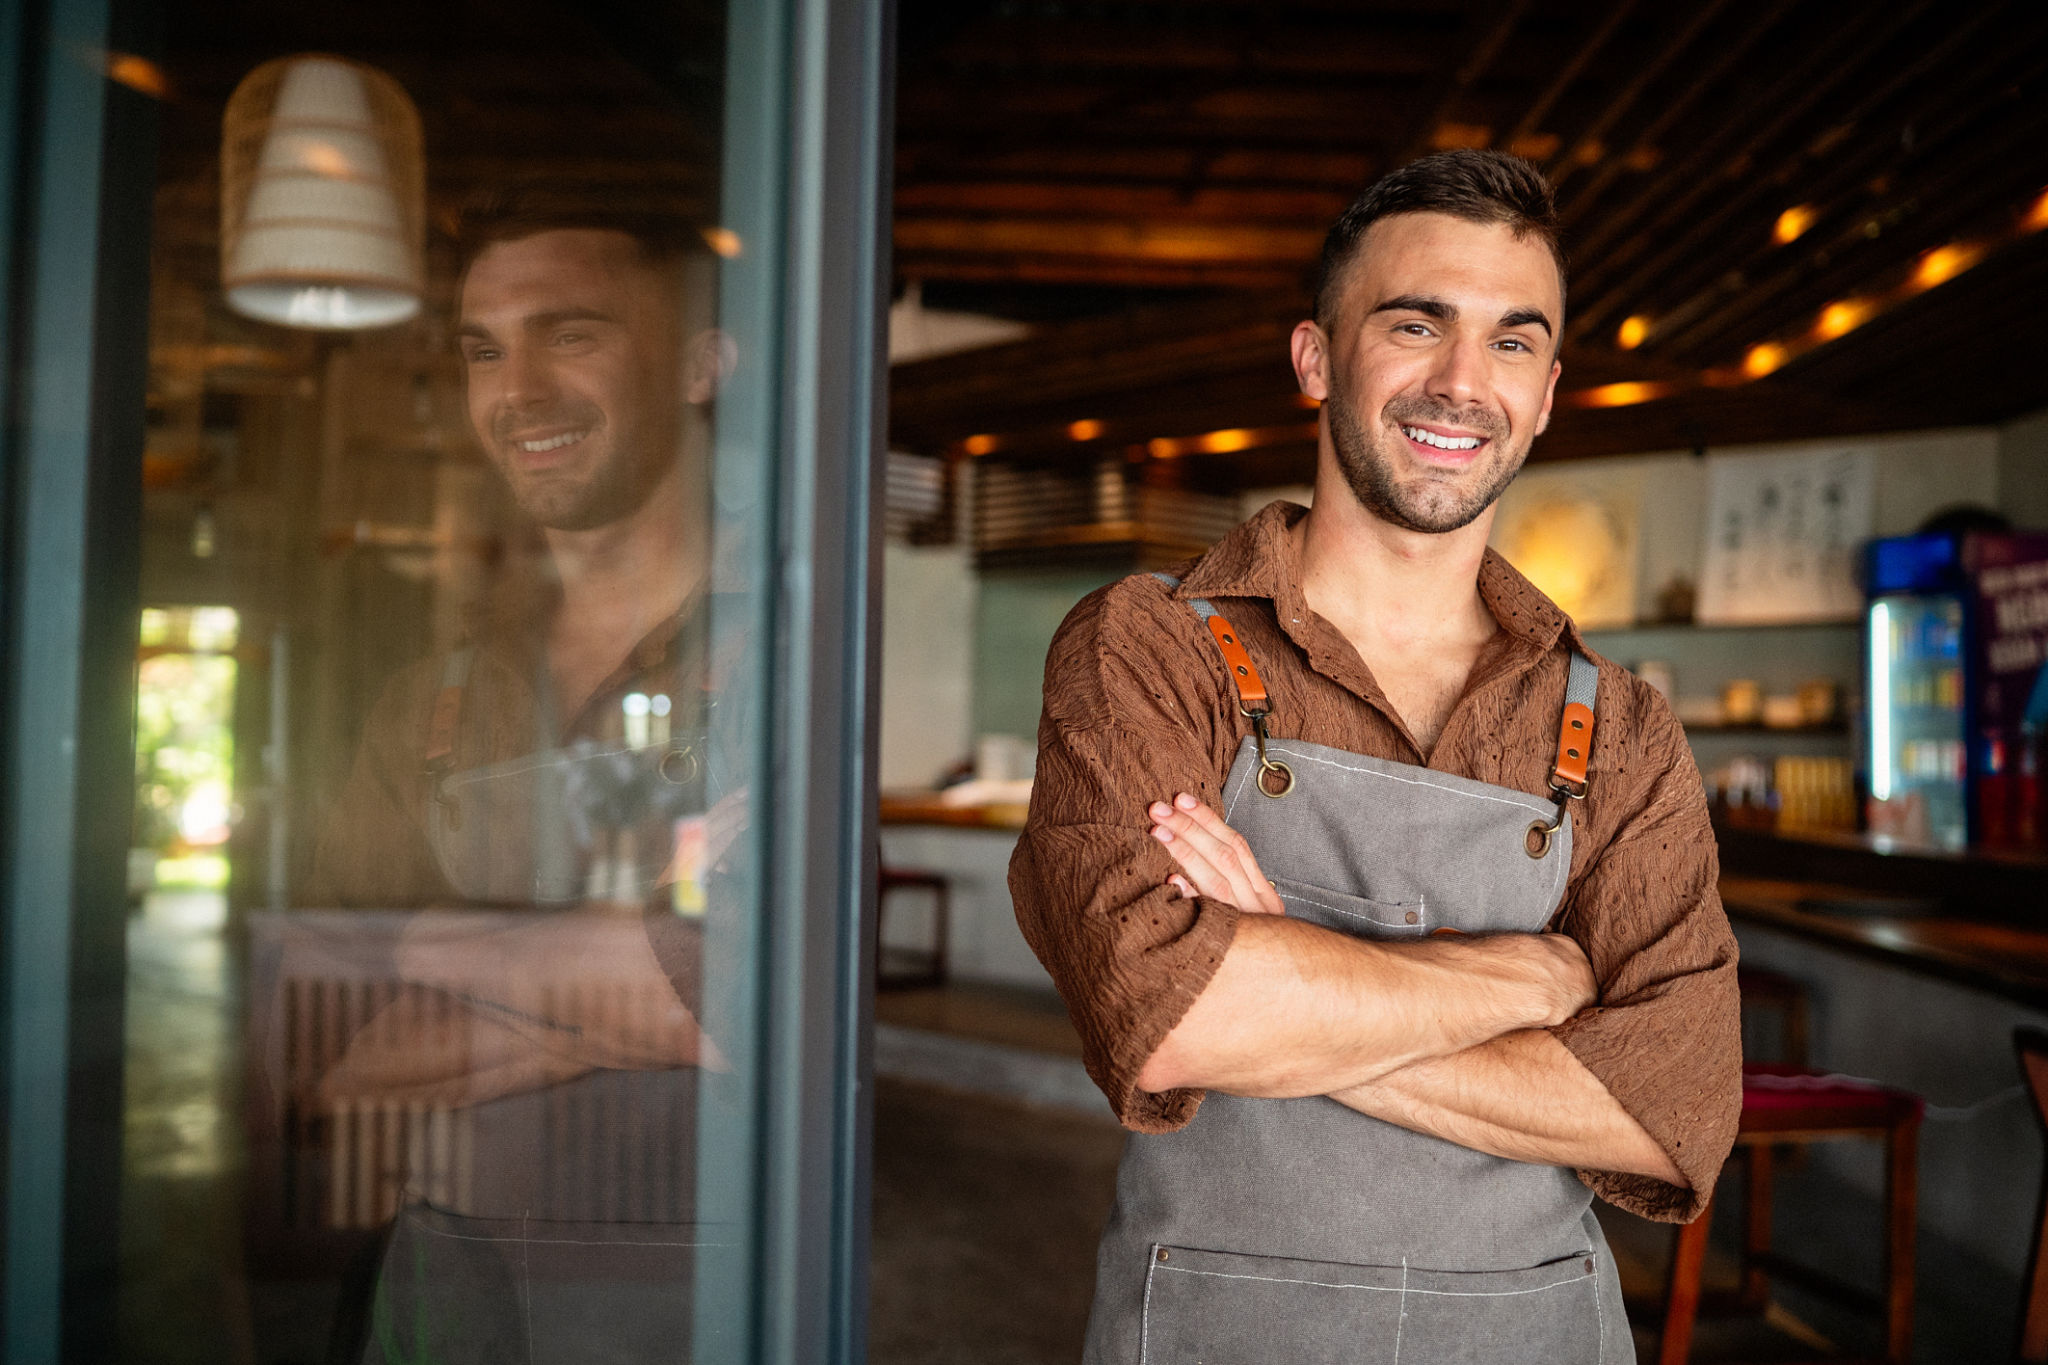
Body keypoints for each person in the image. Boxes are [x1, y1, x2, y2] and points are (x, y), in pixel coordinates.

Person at [1009, 150, 1740, 1365]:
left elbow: (1671, 1114)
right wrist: (1532, 980)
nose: (1463, 383)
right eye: (1416, 325)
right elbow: (1168, 1025)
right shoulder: (1148, 646)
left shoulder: (1617, 727)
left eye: (1512, 342)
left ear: (1549, 391)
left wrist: (1277, 975)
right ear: (1315, 358)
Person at [295, 191, 739, 1364]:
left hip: (701, 1282)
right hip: (445, 1276)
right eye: (484, 349)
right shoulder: (430, 699)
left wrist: (427, 946)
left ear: (701, 364)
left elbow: (745, 1002)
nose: (518, 391)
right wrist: (620, 980)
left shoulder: (782, 663)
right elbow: (322, 1048)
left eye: (571, 334)